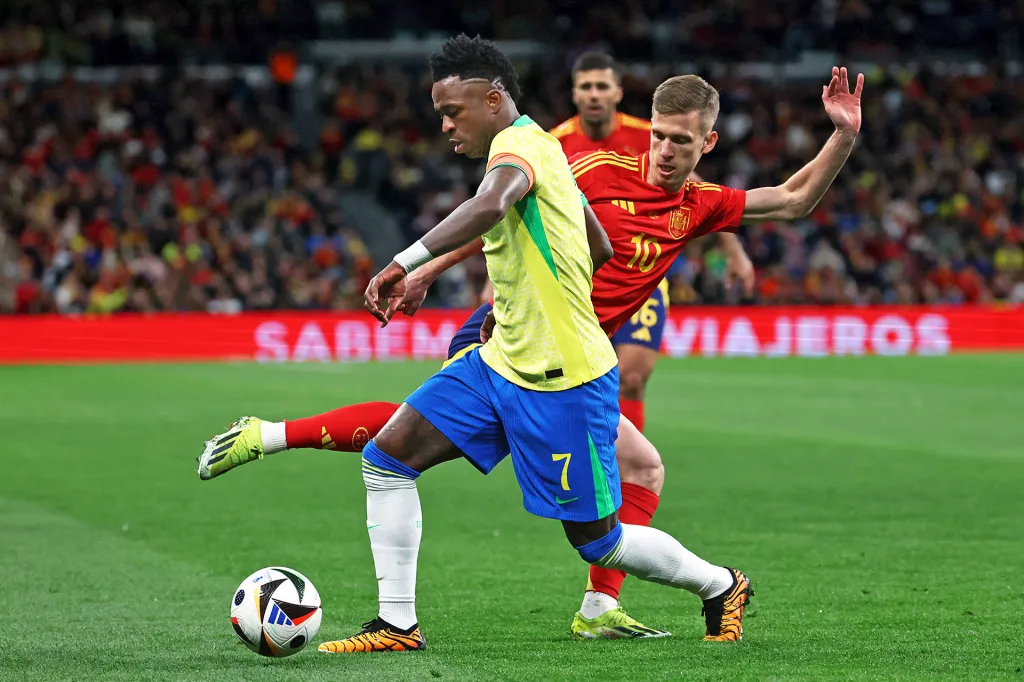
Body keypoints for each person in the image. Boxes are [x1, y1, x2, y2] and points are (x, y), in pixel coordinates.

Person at [199, 39, 864, 647]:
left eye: (680, 142)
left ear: (707, 143)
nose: (664, 151)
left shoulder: (697, 206)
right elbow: (501, 206)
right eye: (658, 136)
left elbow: (792, 199)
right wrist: (437, 272)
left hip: (568, 369)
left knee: (613, 518)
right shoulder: (587, 163)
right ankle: (397, 621)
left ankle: (700, 588)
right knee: (395, 452)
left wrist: (842, 135)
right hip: (511, 342)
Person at [551, 51, 753, 435]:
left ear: (617, 92)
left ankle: (626, 461)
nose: (594, 94)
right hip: (578, 280)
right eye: (586, 87)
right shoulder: (553, 144)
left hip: (644, 275)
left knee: (631, 378)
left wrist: (734, 250)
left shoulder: (654, 134)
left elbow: (700, 193)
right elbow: (517, 209)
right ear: (574, 93)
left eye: (602, 86)